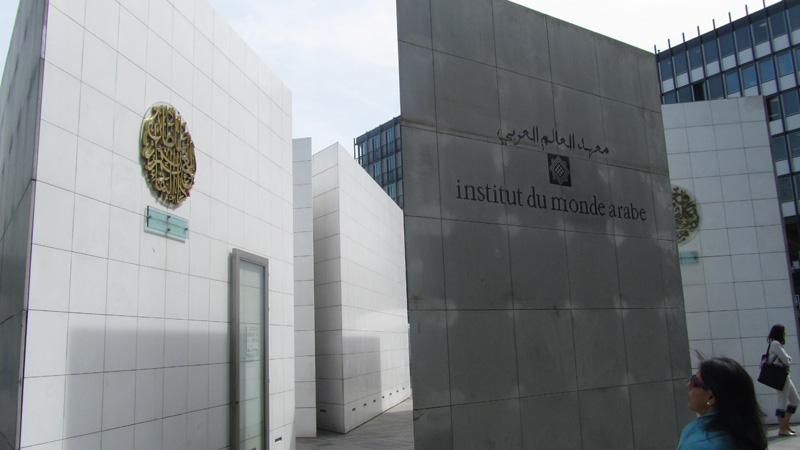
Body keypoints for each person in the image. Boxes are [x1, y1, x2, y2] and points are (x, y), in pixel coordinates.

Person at [678, 357, 767, 450]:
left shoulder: (696, 444)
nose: (689, 385)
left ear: (711, 397)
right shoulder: (748, 434)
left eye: (695, 381)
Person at [768, 324, 800, 436]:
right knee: (782, 402)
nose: (785, 334)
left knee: (795, 400)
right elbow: (786, 360)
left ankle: (785, 425)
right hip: (780, 375)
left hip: (785, 375)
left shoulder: (775, 344)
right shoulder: (775, 344)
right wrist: (789, 359)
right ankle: (782, 428)